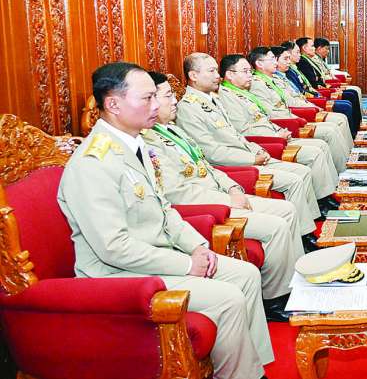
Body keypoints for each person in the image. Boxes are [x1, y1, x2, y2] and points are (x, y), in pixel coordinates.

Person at [60, 62, 273, 379]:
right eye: (147, 98)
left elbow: (164, 208)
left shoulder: (135, 144)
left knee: (244, 274)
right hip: (118, 274)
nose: (156, 105)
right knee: (228, 298)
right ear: (114, 104)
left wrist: (198, 247)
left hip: (158, 256)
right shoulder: (93, 163)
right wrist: (187, 265)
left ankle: (252, 368)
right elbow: (114, 248)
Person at [143, 71, 306, 300]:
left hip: (222, 193)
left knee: (287, 209)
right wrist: (227, 201)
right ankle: (278, 296)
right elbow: (178, 193)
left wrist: (233, 188)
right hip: (209, 207)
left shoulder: (172, 129)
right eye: (167, 95)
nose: (175, 100)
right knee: (278, 224)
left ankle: (297, 277)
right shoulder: (147, 141)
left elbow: (207, 165)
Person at [174, 52, 333, 235]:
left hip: (249, 153)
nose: (218, 75)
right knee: (296, 178)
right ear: (193, 75)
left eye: (217, 70)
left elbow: (235, 134)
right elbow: (212, 152)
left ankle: (310, 223)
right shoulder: (188, 108)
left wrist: (258, 149)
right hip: (235, 165)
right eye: (211, 71)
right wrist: (252, 158)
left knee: (302, 171)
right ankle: (307, 233)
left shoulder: (212, 99)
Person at [217, 54, 347, 178]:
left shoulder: (242, 92)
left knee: (322, 143)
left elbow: (264, 116)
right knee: (317, 150)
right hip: (266, 141)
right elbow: (244, 130)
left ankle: (343, 176)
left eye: (250, 71)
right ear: (230, 74)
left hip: (276, 133)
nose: (250, 75)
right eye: (245, 71)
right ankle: (338, 183)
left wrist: (279, 130)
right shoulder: (227, 96)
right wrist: (276, 136)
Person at [247, 47, 354, 165]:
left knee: (338, 122)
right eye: (272, 59)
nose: (275, 62)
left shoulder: (276, 78)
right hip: (288, 122)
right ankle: (346, 165)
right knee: (331, 131)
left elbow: (296, 97)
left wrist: (312, 107)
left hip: (296, 114)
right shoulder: (257, 84)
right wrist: (301, 117)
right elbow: (272, 112)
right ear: (259, 64)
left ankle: (350, 157)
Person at [276, 43, 358, 135]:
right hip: (304, 104)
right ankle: (354, 134)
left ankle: (356, 132)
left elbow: (312, 84)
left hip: (310, 98)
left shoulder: (292, 69)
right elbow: (301, 93)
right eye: (286, 58)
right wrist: (317, 101)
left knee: (350, 97)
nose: (314, 48)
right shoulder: (292, 69)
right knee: (345, 107)